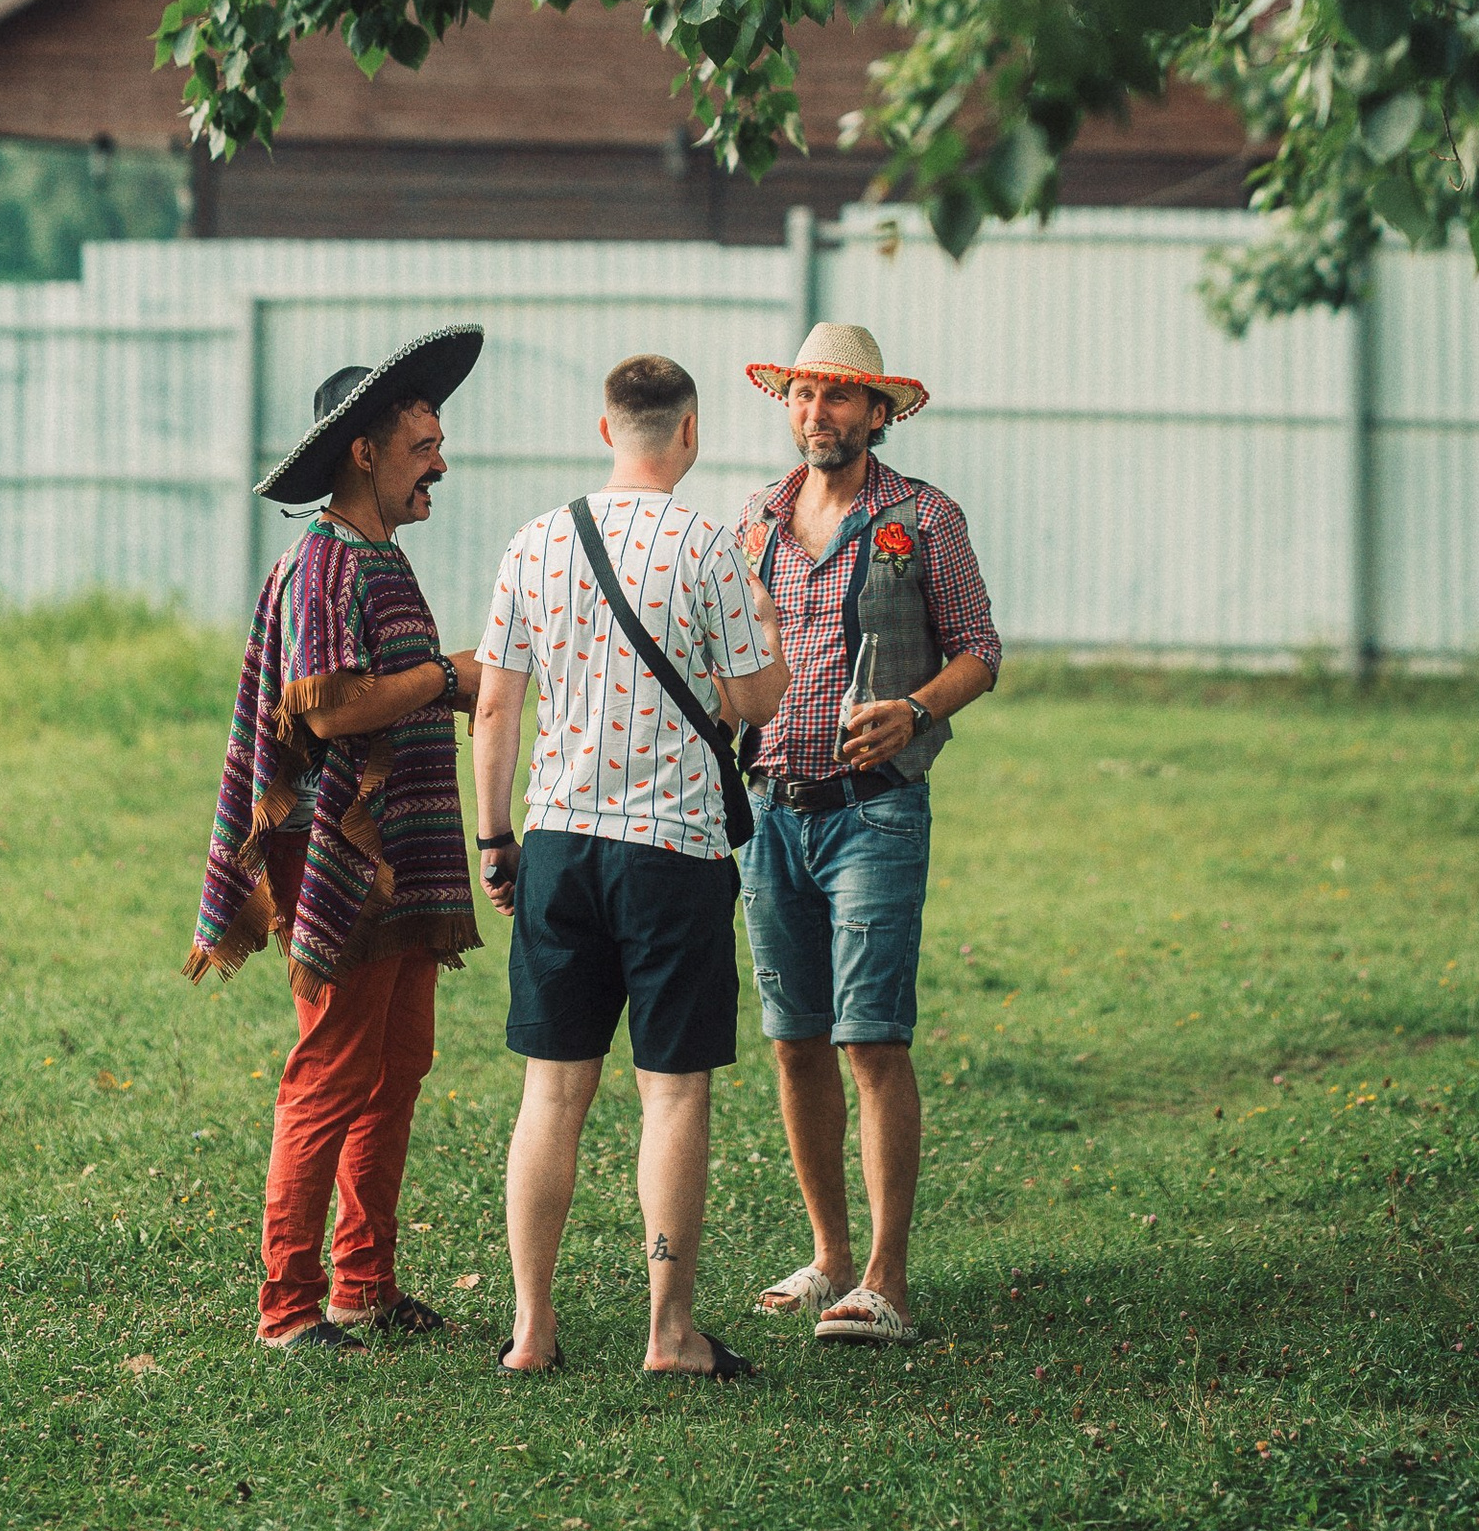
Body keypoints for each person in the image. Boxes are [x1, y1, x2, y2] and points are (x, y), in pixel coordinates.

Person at [471, 350, 787, 1380]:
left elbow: (495, 704)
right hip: (672, 851)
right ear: (688, 434)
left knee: (550, 1095)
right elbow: (753, 701)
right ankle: (668, 1330)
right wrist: (770, 627)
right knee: (671, 1096)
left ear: (607, 430)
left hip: (559, 844)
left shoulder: (534, 543)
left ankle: (531, 1328)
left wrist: (494, 835)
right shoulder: (710, 550)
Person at [188, 325, 486, 1354]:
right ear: (364, 451)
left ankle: (363, 1284)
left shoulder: (375, 559)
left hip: (398, 866)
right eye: (423, 444)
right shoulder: (325, 565)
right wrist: (450, 677)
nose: (439, 462)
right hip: (343, 871)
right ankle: (286, 1309)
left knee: (394, 1066)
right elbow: (328, 710)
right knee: (330, 1073)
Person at [736, 318, 1001, 1347]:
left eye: (839, 396)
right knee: (792, 1038)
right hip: (769, 810)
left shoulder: (923, 519)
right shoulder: (757, 519)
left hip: (875, 810)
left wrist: (918, 710)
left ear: (877, 413)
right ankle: (830, 1258)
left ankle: (886, 1278)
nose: (817, 413)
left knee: (869, 1036)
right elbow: (734, 655)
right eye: (803, 395)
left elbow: (979, 649)